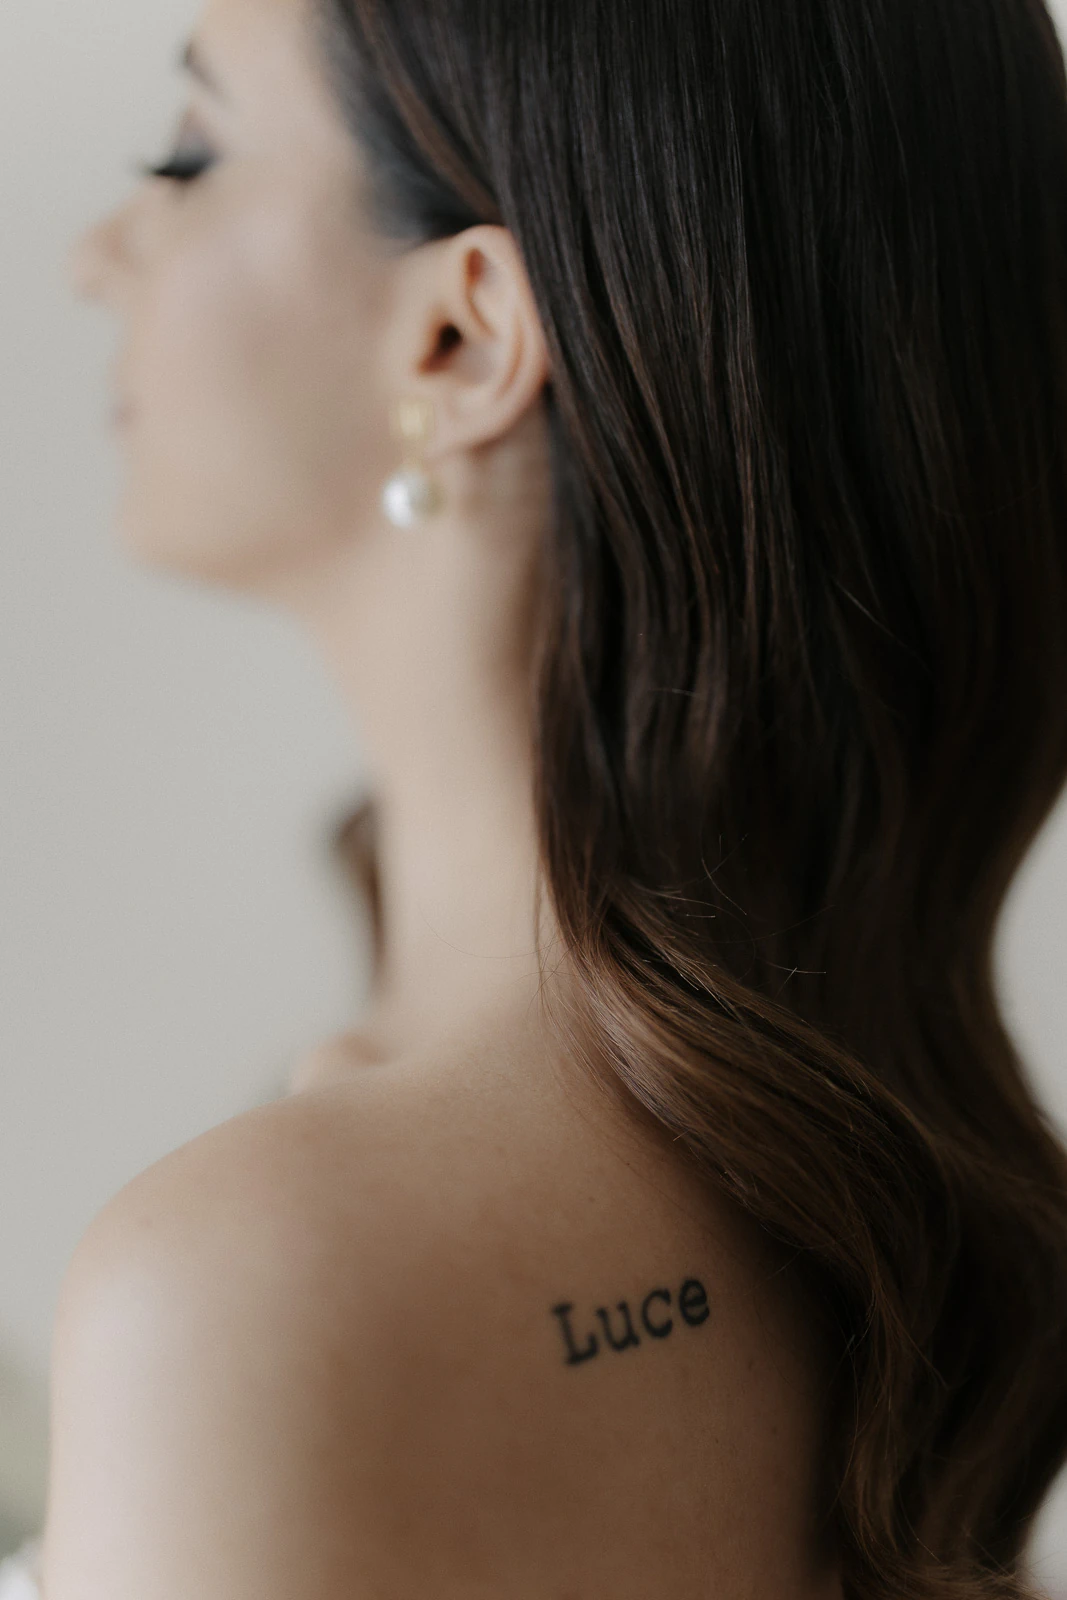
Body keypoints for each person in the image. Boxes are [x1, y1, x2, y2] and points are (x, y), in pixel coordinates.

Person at [15, 0, 1067, 1593]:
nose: (99, 252)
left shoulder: (267, 1279)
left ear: (465, 337)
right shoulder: (849, 1204)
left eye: (188, 155)